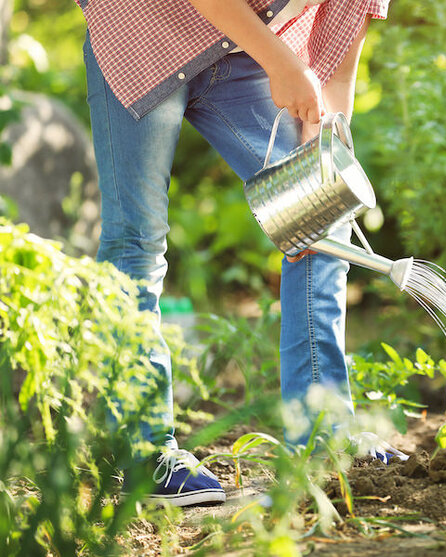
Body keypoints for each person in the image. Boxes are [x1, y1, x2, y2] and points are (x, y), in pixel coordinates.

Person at [76, 0, 401, 507]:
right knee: (135, 240)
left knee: (322, 220)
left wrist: (321, 150)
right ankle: (144, 454)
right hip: (143, 32)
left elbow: (336, 72)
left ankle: (321, 431)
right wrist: (282, 63)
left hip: (243, 49)